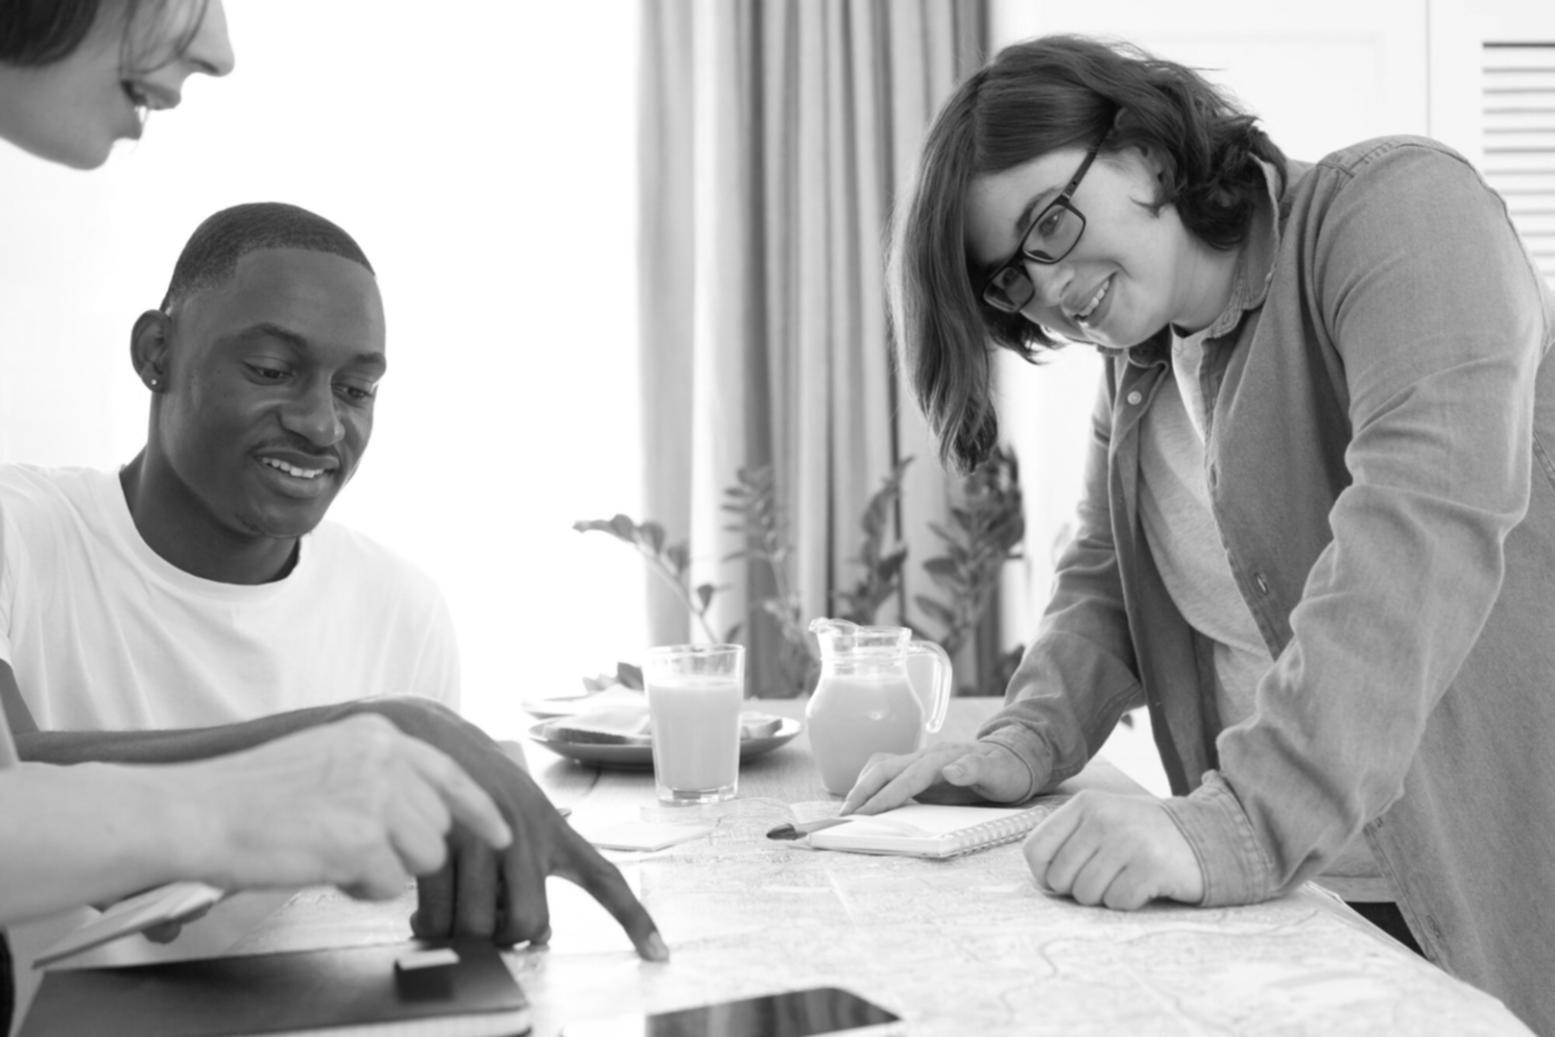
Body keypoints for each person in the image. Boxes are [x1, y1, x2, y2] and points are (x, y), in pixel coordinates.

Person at [845, 34, 1555, 1032]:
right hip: (1304, 910)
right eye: (1009, 278)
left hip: (1485, 893)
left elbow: (1423, 529)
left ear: (1146, 146)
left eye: (1048, 222)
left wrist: (1239, 828)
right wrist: (1016, 743)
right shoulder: (1138, 366)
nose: (1045, 288)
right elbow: (1102, 583)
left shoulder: (1398, 210)